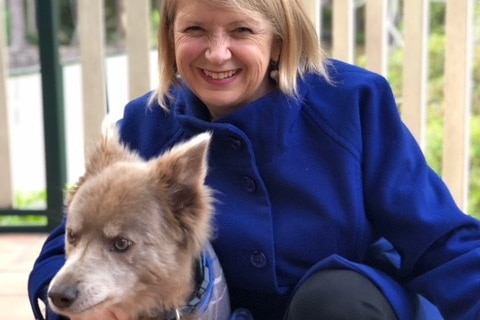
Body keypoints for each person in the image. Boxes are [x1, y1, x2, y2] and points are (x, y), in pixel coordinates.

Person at [29, 0, 480, 319]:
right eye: (195, 30)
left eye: (241, 30)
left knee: (335, 298)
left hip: (344, 306)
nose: (216, 52)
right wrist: (73, 303)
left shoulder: (352, 103)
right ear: (171, 38)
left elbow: (440, 239)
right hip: (208, 313)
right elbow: (71, 241)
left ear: (280, 42)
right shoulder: (146, 125)